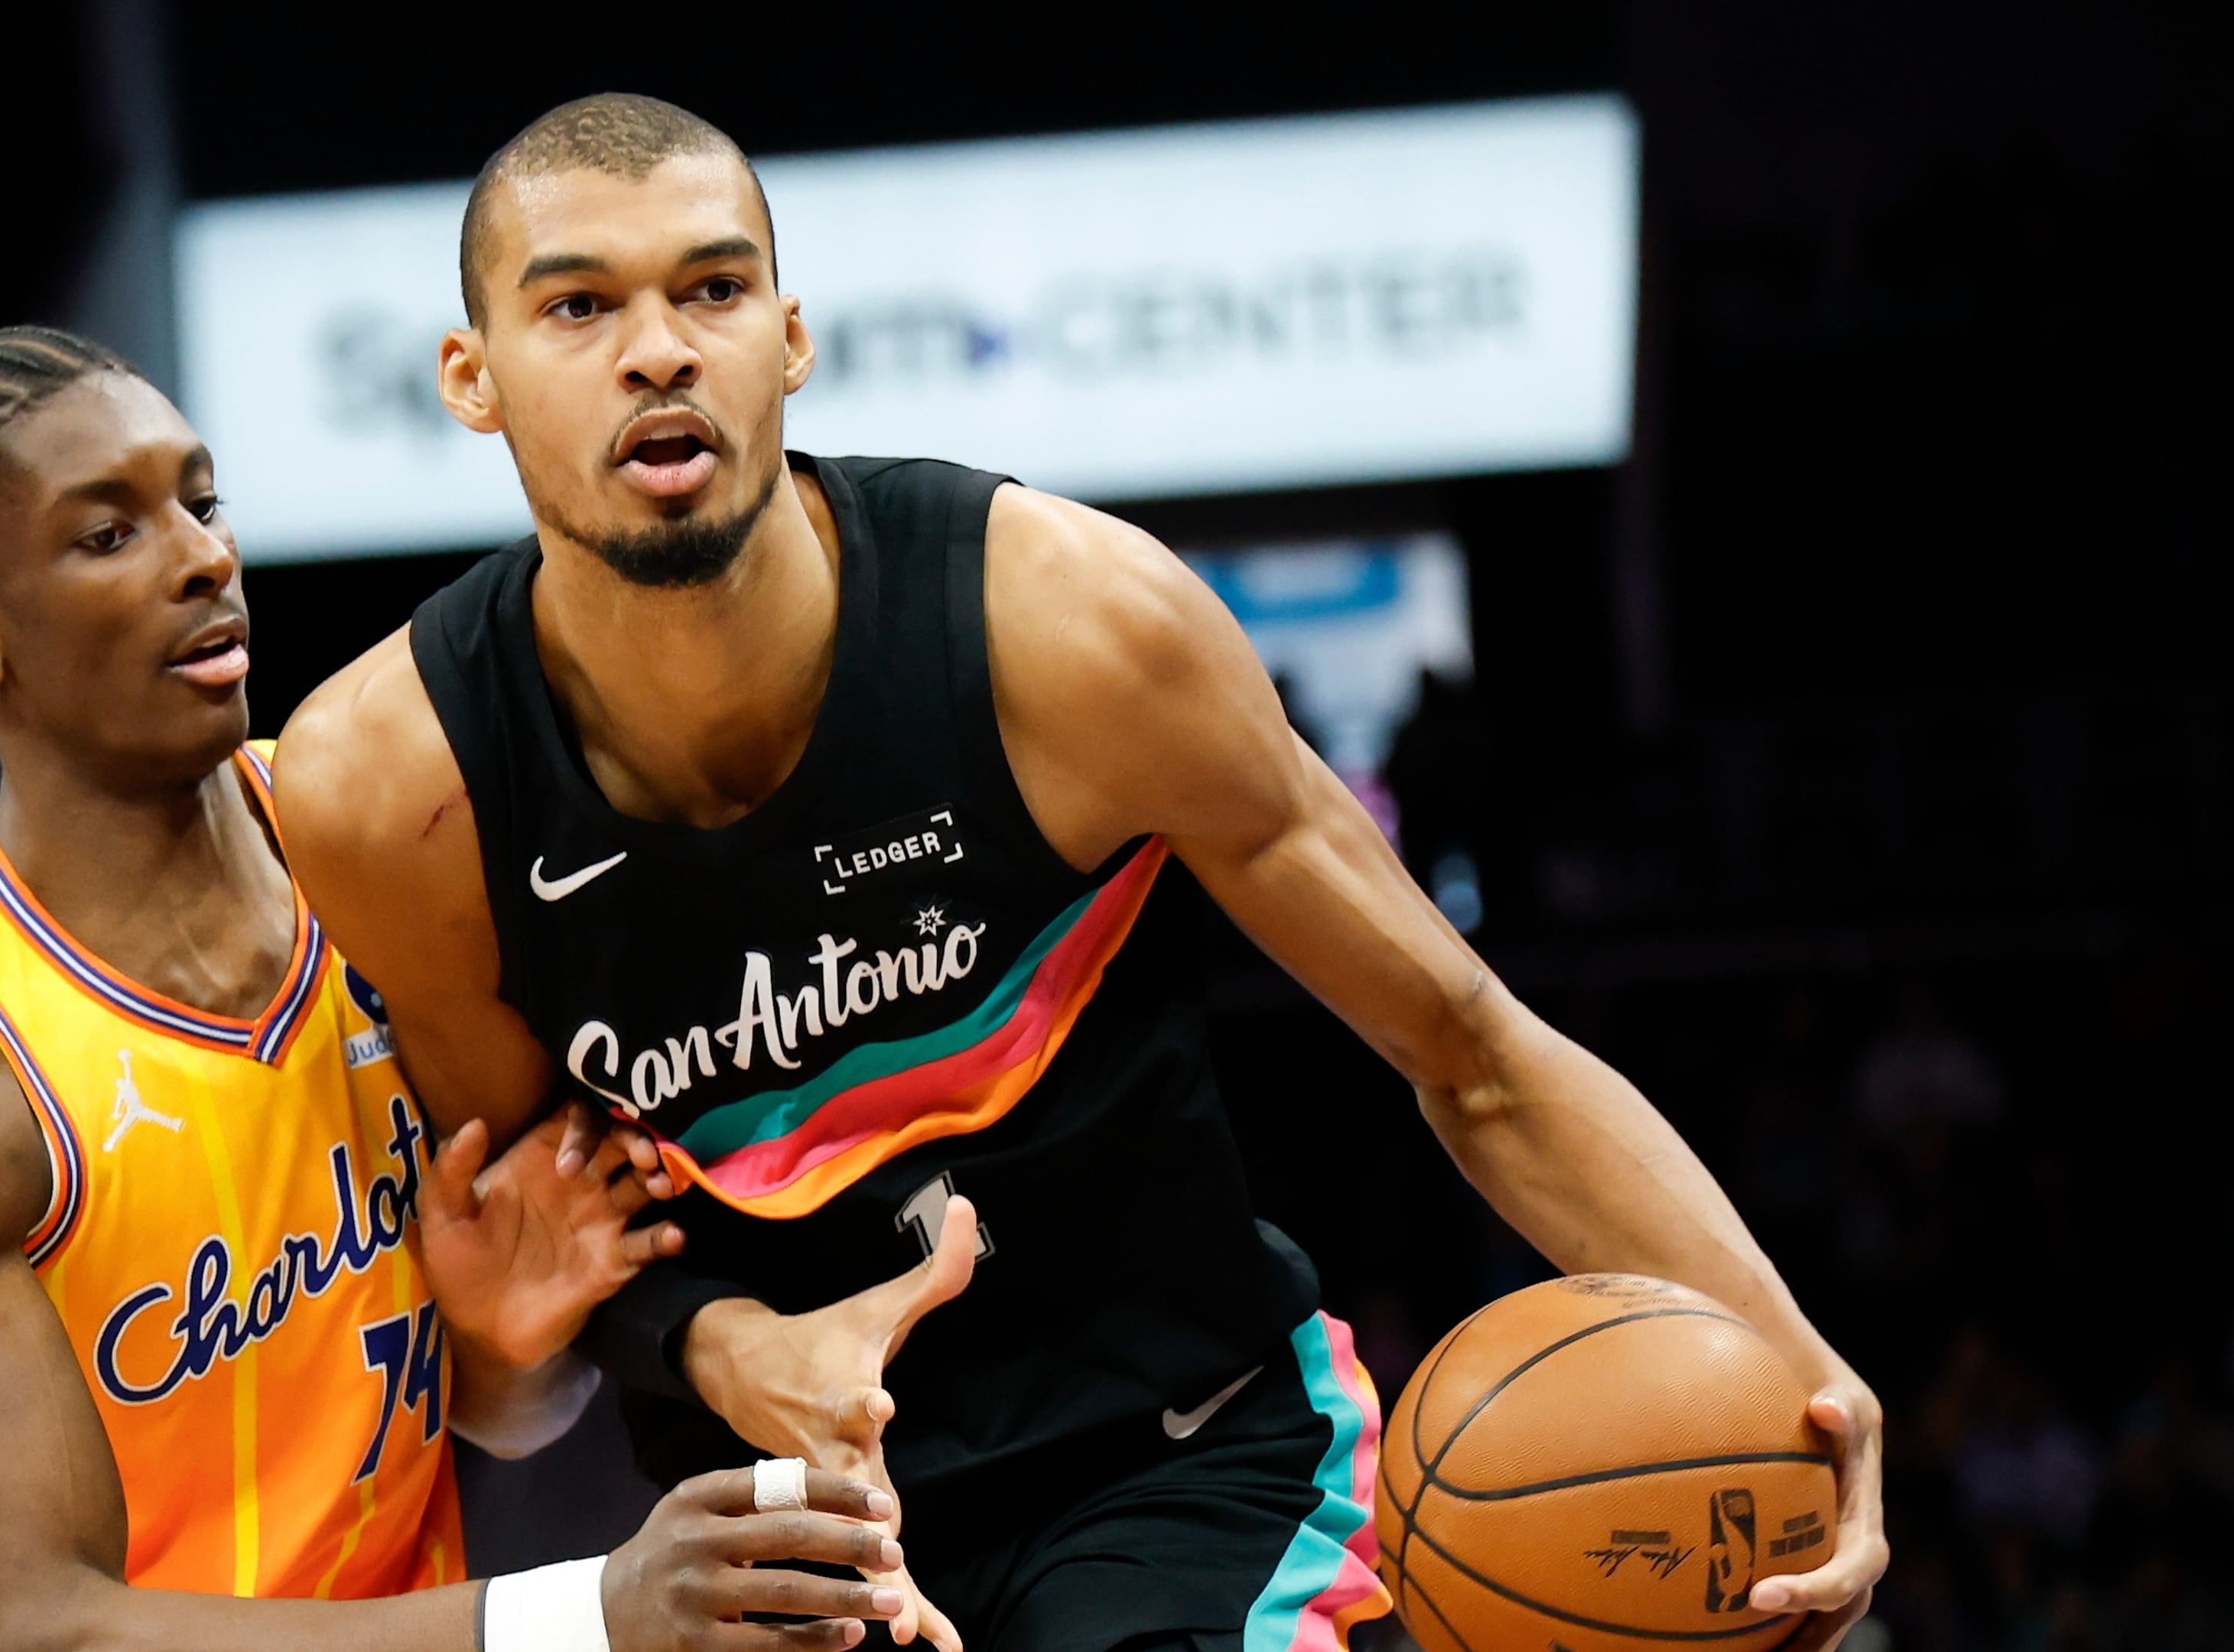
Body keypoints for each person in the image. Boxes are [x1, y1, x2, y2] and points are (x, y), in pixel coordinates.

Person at [274, 96, 1892, 1652]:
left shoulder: (1070, 632)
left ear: (791, 339)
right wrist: (721, 1341)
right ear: (471, 379)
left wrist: (1810, 1377)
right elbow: (552, 1240)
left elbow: (1469, 1050)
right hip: (795, 1537)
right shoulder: (390, 788)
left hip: (1185, 1455)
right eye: (579, 306)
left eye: (713, 286)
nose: (658, 346)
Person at [0, 327, 914, 1652]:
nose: (203, 557)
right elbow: (44, 1629)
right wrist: (584, 1615)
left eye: (200, 505)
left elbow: (438, 1414)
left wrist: (503, 1347)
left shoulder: (376, 837)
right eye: (109, 536)